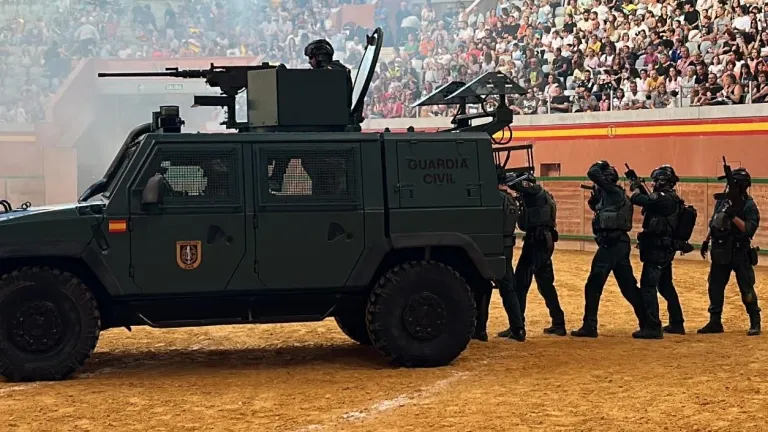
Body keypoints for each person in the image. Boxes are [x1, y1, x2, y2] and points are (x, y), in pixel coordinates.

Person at [571, 161, 646, 338]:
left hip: (611, 245)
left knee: (593, 285)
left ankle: (590, 326)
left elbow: (592, 173)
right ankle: (648, 322)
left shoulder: (613, 192)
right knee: (628, 287)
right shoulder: (614, 194)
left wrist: (600, 164)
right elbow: (601, 210)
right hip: (618, 243)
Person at [699, 167, 761, 336]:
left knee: (746, 288)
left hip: (740, 252)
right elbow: (714, 222)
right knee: (715, 287)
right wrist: (706, 240)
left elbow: (748, 229)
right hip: (721, 250)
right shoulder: (722, 201)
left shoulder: (749, 205)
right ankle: (715, 321)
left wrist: (733, 216)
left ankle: (755, 321)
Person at [504, 173, 566, 336]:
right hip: (543, 241)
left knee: (520, 283)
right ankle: (558, 323)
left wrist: (506, 178)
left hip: (537, 242)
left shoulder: (536, 191)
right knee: (545, 285)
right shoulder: (542, 195)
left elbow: (517, 185)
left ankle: (517, 325)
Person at [628, 165, 686, 339]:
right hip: (664, 248)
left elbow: (638, 199)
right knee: (665, 286)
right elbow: (650, 200)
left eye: (655, 180)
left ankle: (653, 327)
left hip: (658, 249)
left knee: (648, 286)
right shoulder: (670, 198)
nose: (653, 184)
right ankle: (677, 322)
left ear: (663, 181)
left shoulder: (665, 198)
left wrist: (636, 187)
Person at [493, 182, 526, 342]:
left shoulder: (495, 198)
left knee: (484, 287)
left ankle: (480, 329)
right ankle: (517, 327)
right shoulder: (509, 199)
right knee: (508, 287)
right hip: (507, 244)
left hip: (495, 244)